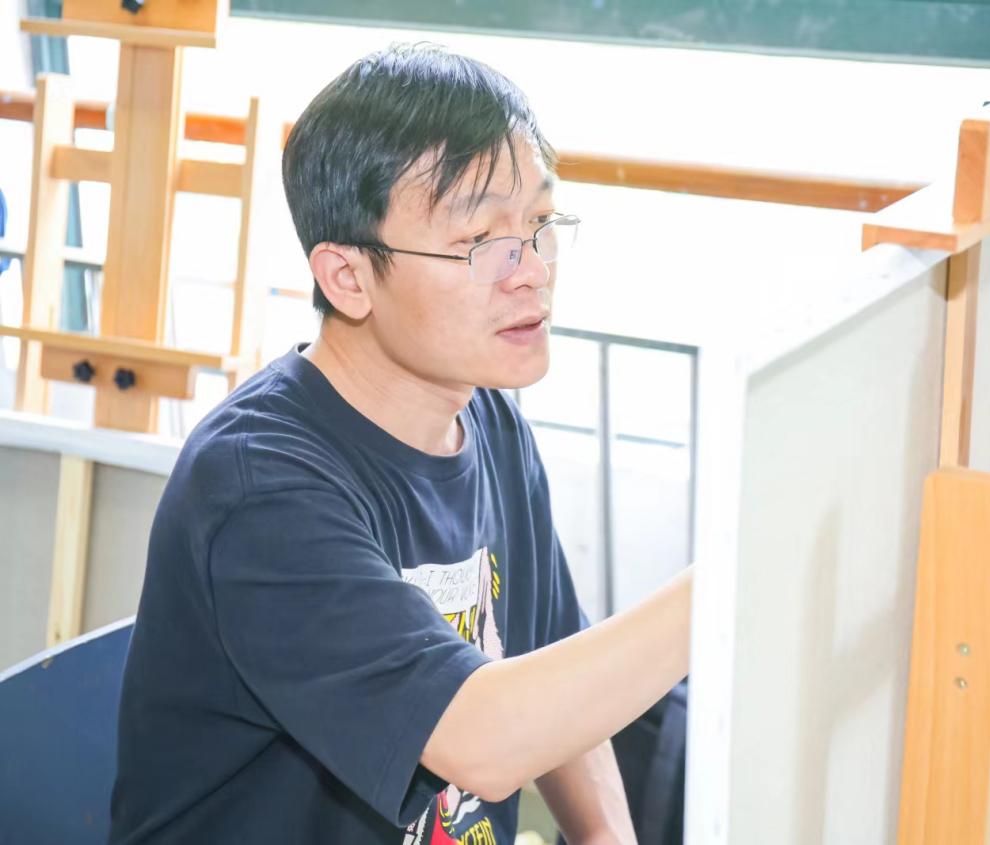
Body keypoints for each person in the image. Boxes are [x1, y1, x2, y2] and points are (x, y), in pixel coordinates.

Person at [108, 42, 693, 845]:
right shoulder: (257, 486)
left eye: (538, 224)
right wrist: (731, 579)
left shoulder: (488, 419)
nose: (530, 270)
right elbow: (485, 740)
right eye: (480, 240)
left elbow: (555, 664)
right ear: (348, 278)